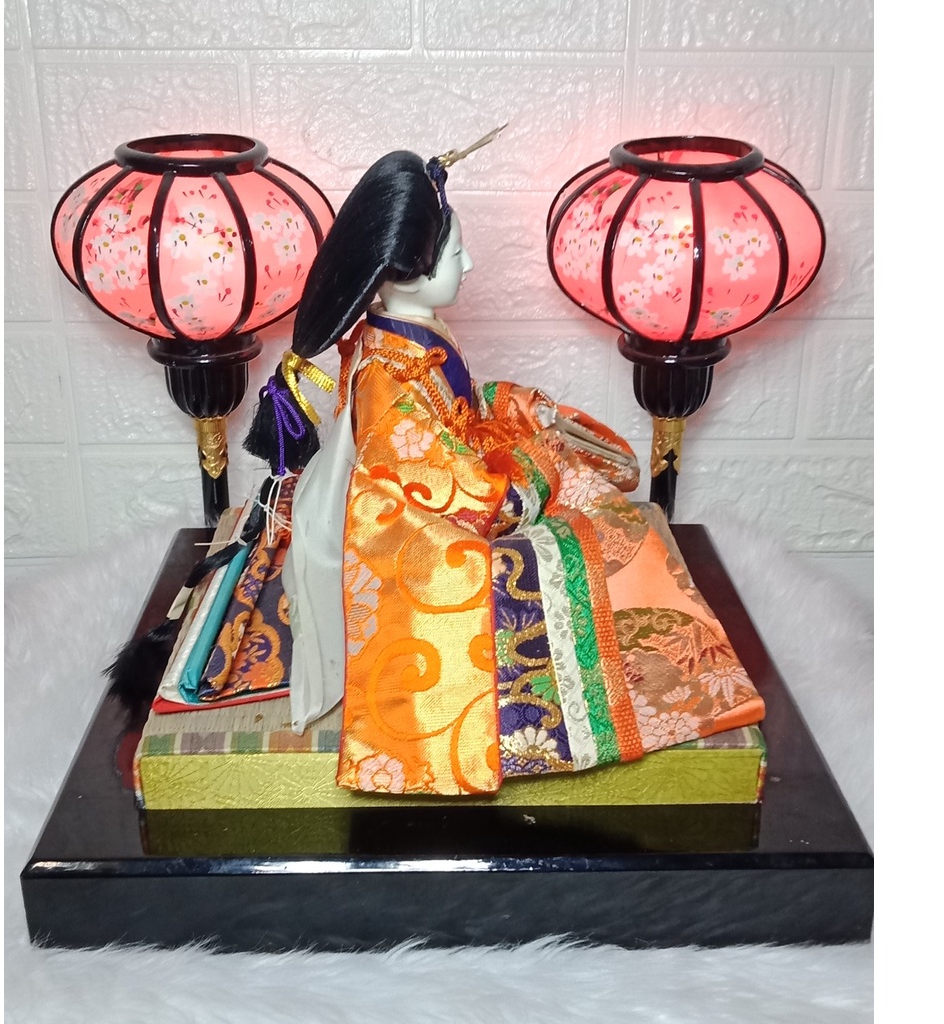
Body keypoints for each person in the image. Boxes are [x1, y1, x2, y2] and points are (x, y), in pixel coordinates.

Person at [244, 147, 764, 796]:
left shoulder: (413, 335)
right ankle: (615, 698)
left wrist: (521, 410)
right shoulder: (388, 376)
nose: (468, 265)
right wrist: (538, 465)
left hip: (452, 494)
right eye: (455, 253)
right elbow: (455, 492)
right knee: (596, 545)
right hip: (418, 545)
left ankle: (659, 662)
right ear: (404, 274)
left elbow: (460, 412)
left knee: (601, 511)